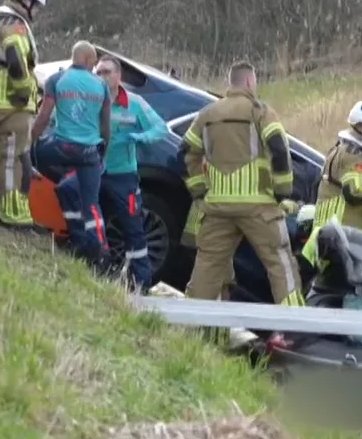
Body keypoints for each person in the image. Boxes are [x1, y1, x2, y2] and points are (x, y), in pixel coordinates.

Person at [182, 61, 303, 305]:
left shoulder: (207, 114)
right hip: (259, 207)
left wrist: (199, 189)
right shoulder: (260, 112)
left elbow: (185, 151)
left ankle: (194, 323)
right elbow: (279, 148)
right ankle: (293, 321)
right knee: (280, 263)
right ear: (249, 81)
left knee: (208, 267)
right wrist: (282, 191)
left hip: (217, 207)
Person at [30, 42, 112, 270]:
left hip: (61, 148)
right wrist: (102, 153)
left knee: (27, 158)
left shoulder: (57, 80)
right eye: (94, 61)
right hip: (89, 153)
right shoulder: (102, 86)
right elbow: (106, 127)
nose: (94, 66)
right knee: (91, 204)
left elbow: (43, 116)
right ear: (87, 59)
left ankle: (20, 210)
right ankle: (100, 252)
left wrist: (29, 145)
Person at [95, 53, 168, 288]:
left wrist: (139, 137)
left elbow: (161, 128)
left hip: (123, 176)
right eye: (98, 72)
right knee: (94, 224)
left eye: (107, 72)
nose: (102, 76)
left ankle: (141, 282)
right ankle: (98, 272)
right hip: (94, 172)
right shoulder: (91, 100)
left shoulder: (134, 103)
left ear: (118, 76)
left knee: (133, 228)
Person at [0, 0, 47, 229]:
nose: (37, 12)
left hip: (1, 104)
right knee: (13, 162)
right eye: (36, 6)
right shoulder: (15, 27)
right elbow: (17, 62)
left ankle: (16, 212)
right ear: (25, 0)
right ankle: (13, 216)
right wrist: (23, 92)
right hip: (12, 106)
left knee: (12, 160)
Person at [302, 100, 362, 266]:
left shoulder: (344, 149)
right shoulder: (354, 155)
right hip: (343, 236)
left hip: (332, 234)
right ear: (360, 127)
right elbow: (354, 192)